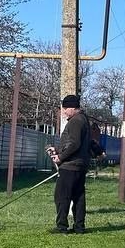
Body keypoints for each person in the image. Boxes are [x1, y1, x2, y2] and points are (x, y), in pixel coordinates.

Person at [46, 94, 90, 233]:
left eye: (65, 108)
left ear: (72, 107)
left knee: (62, 196)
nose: (64, 112)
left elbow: (74, 144)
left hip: (70, 165)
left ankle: (62, 227)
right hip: (80, 165)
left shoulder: (76, 121)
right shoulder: (83, 119)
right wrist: (57, 150)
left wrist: (60, 157)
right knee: (78, 196)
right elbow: (74, 144)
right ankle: (79, 227)